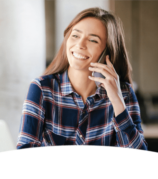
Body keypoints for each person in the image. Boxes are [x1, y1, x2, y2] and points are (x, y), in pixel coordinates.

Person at [16, 7, 148, 151]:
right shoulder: (41, 89)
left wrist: (117, 102)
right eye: (75, 36)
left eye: (93, 40)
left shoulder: (124, 93)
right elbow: (25, 154)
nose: (80, 45)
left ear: (108, 51)